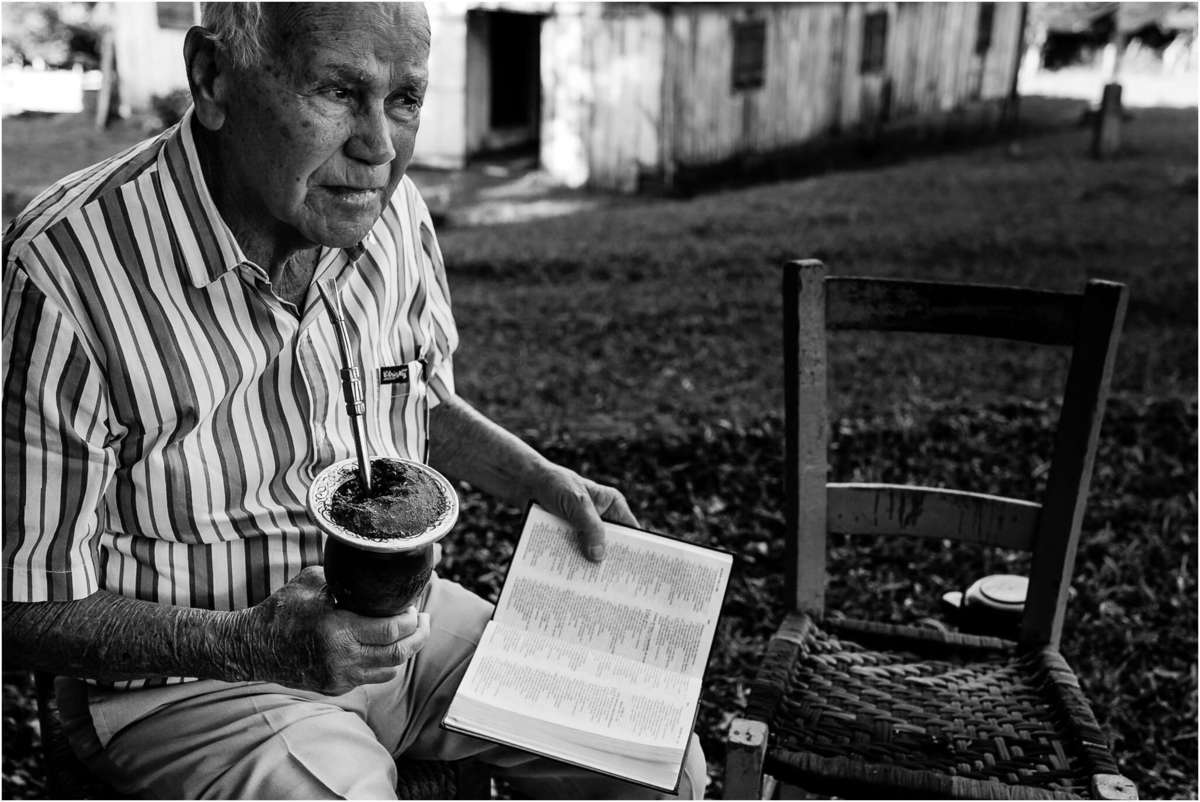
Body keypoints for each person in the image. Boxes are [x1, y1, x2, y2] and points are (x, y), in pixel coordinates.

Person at [1, 3, 707, 798]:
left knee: (656, 763)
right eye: (339, 91)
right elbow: (19, 606)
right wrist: (252, 645)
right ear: (211, 77)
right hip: (193, 683)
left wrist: (541, 480)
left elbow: (417, 399)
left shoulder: (388, 208)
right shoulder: (65, 270)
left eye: (404, 100)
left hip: (405, 625)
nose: (380, 149)